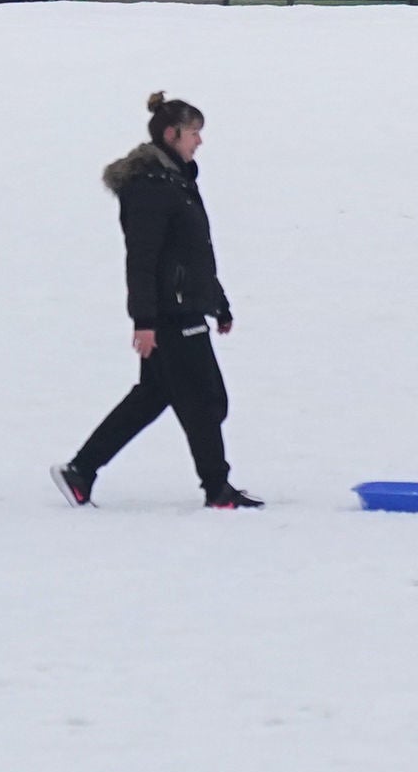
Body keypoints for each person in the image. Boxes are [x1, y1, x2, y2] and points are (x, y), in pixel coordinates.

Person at [52, 91, 261, 510]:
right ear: (171, 134)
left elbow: (194, 251)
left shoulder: (177, 180)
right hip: (171, 312)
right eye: (194, 133)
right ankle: (217, 489)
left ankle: (81, 471)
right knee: (206, 398)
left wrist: (217, 302)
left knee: (154, 396)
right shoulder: (150, 188)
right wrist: (144, 321)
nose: (199, 142)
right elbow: (142, 260)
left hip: (186, 305)